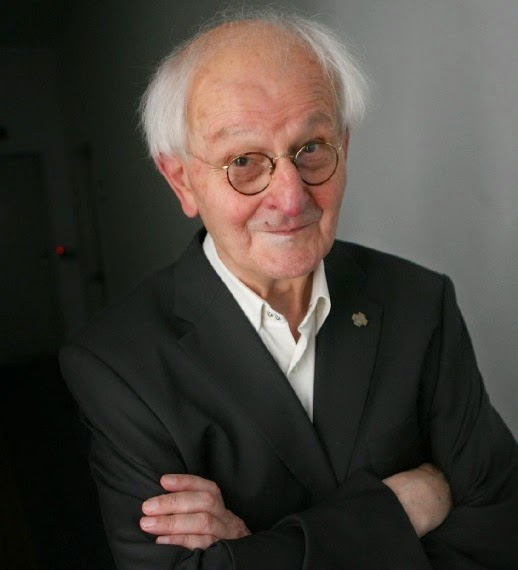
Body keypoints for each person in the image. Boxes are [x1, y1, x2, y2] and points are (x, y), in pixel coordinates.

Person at [60, 9, 517, 569]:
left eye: (312, 148)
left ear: (344, 147)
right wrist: (401, 508)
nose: (291, 198)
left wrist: (252, 551)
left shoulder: (420, 303)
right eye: (244, 161)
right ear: (181, 180)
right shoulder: (117, 365)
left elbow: (500, 527)